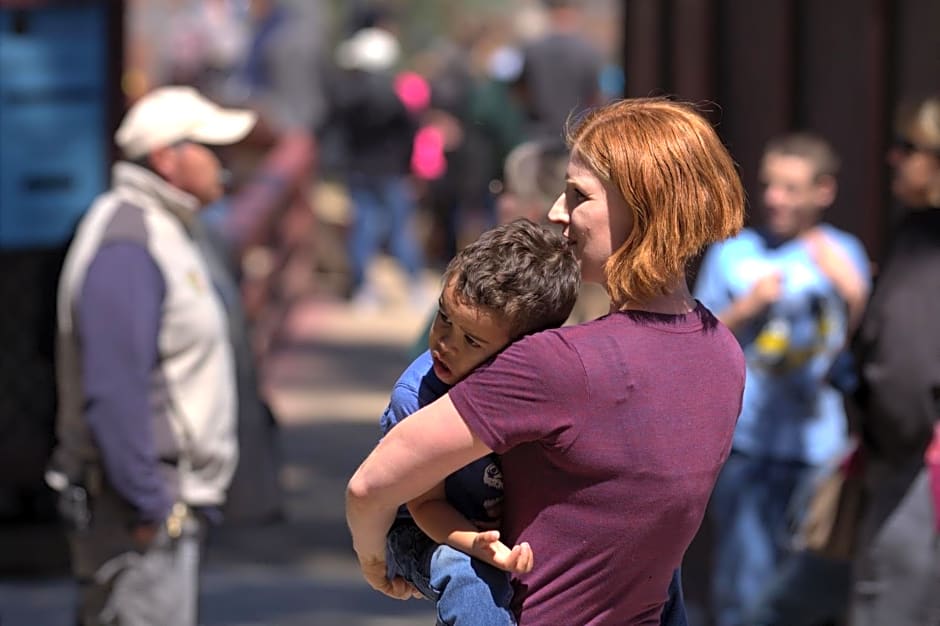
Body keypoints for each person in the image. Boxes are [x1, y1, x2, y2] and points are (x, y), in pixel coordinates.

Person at [346, 97, 746, 625]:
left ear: (641, 209)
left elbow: (370, 485)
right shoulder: (724, 354)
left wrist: (377, 561)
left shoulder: (559, 364)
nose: (557, 211)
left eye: (578, 195)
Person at [46, 85, 256, 626]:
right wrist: (149, 506)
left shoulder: (160, 228)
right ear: (167, 157)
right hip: (137, 513)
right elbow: (114, 390)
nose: (225, 163)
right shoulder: (129, 240)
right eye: (212, 148)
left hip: (153, 506)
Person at [693, 133, 871, 626]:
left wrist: (856, 295)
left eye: (791, 188)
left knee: (807, 594)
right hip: (748, 446)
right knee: (742, 590)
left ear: (824, 191)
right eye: (770, 185)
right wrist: (747, 308)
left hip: (820, 452)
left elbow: (866, 350)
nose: (774, 198)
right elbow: (694, 344)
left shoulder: (843, 254)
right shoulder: (733, 253)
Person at [382, 218, 580, 625]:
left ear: (523, 352)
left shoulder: (540, 388)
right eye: (443, 317)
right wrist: (478, 545)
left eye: (472, 341)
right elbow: (425, 504)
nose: (444, 342)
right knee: (466, 574)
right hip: (425, 529)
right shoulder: (417, 398)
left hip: (500, 527)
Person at [847, 94, 940, 626]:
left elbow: (904, 373)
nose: (894, 158)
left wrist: (886, 444)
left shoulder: (926, 243)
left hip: (916, 473)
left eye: (909, 148)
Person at [517, 0, 603, 141]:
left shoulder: (532, 50)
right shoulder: (589, 52)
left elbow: (521, 92)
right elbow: (595, 97)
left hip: (539, 133)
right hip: (576, 133)